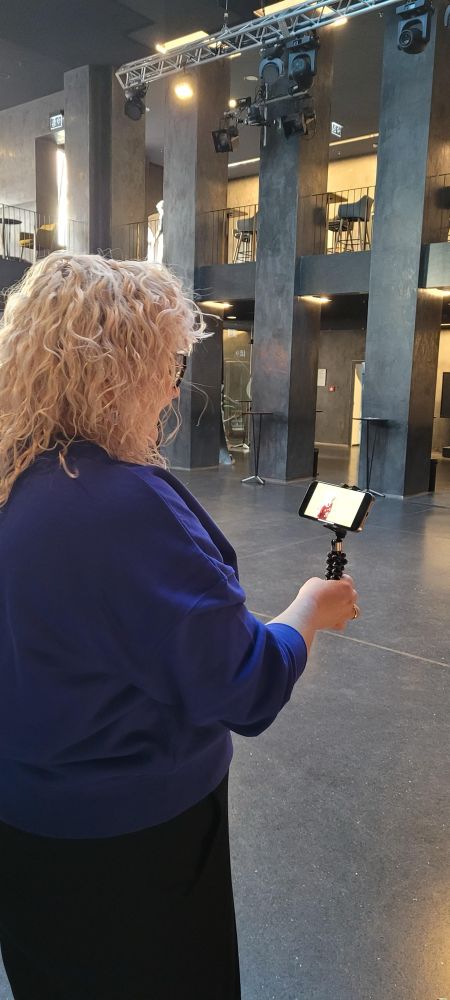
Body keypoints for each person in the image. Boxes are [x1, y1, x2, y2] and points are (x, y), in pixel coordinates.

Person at [0, 253, 359, 1000]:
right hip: (131, 851)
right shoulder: (118, 505)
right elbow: (245, 682)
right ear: (114, 371)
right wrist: (309, 609)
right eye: (165, 364)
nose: (171, 388)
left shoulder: (16, 481)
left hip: (26, 835)